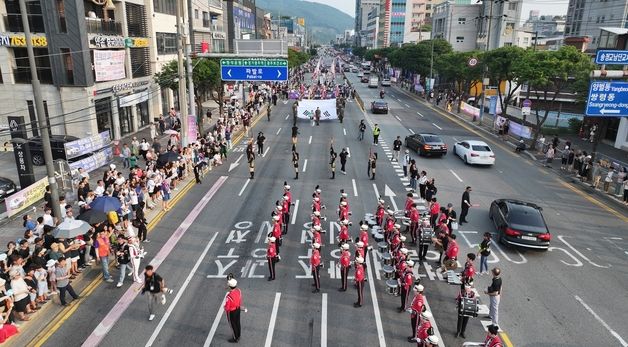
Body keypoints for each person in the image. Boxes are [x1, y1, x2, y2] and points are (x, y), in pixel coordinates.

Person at [224, 276, 245, 343]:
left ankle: (235, 338)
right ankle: (239, 335)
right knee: (238, 323)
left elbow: (227, 307)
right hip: (238, 309)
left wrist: (224, 307)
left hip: (232, 312)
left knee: (232, 325)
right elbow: (240, 300)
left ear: (230, 287)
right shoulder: (238, 291)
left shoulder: (229, 296)